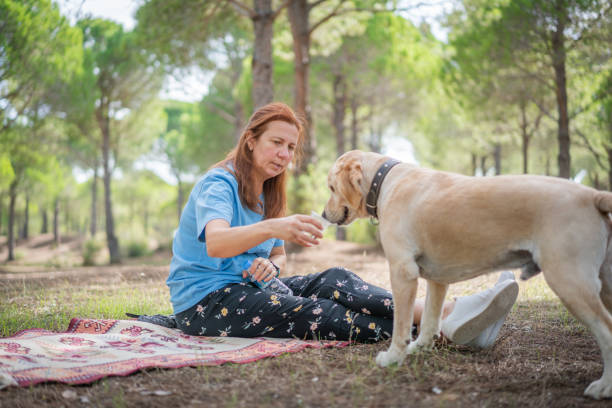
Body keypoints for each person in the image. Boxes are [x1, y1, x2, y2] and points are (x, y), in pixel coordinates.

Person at [165, 102, 519, 345]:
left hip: (252, 290)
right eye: (276, 143)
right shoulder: (219, 184)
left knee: (335, 279)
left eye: (291, 147)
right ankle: (445, 325)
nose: (284, 155)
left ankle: (450, 319)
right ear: (250, 141)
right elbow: (217, 242)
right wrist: (274, 228)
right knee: (324, 312)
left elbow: (279, 260)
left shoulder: (268, 193)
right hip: (204, 305)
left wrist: (269, 265)